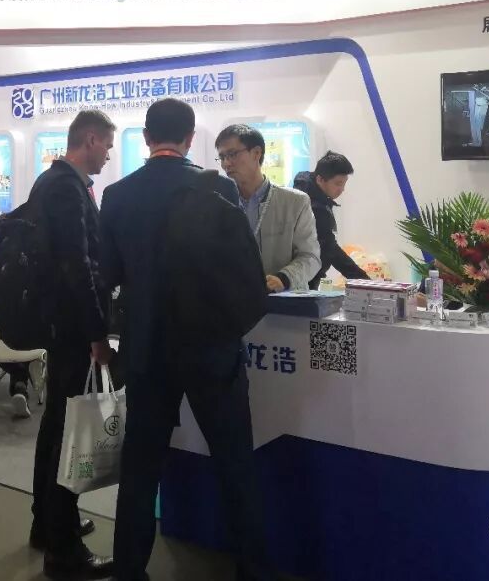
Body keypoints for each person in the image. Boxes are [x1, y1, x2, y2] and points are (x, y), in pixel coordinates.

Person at [101, 99, 274, 581]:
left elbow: (106, 276)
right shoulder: (218, 188)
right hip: (211, 348)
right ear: (191, 138)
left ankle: (129, 570)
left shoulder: (117, 195)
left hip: (147, 348)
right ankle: (254, 571)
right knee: (235, 463)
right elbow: (245, 272)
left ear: (146, 138)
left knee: (140, 468)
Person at [28, 110, 116, 580]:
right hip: (71, 327)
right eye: (107, 146)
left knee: (56, 426)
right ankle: (63, 552)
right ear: (90, 139)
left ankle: (47, 523)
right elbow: (77, 265)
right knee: (68, 434)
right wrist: (97, 331)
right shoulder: (66, 188)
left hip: (58, 323)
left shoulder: (51, 182)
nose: (108, 156)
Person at [214, 125, 320, 292]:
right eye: (222, 157)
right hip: (232, 300)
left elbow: (310, 257)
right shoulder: (218, 203)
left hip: (281, 300)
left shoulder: (295, 202)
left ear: (257, 153)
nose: (226, 163)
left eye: (232, 154)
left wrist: (284, 278)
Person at [293, 151, 370, 290]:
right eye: (338, 184)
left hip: (301, 274)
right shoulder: (314, 207)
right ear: (320, 179)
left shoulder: (308, 195)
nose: (342, 189)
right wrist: (365, 282)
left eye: (344, 184)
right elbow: (330, 249)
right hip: (304, 278)